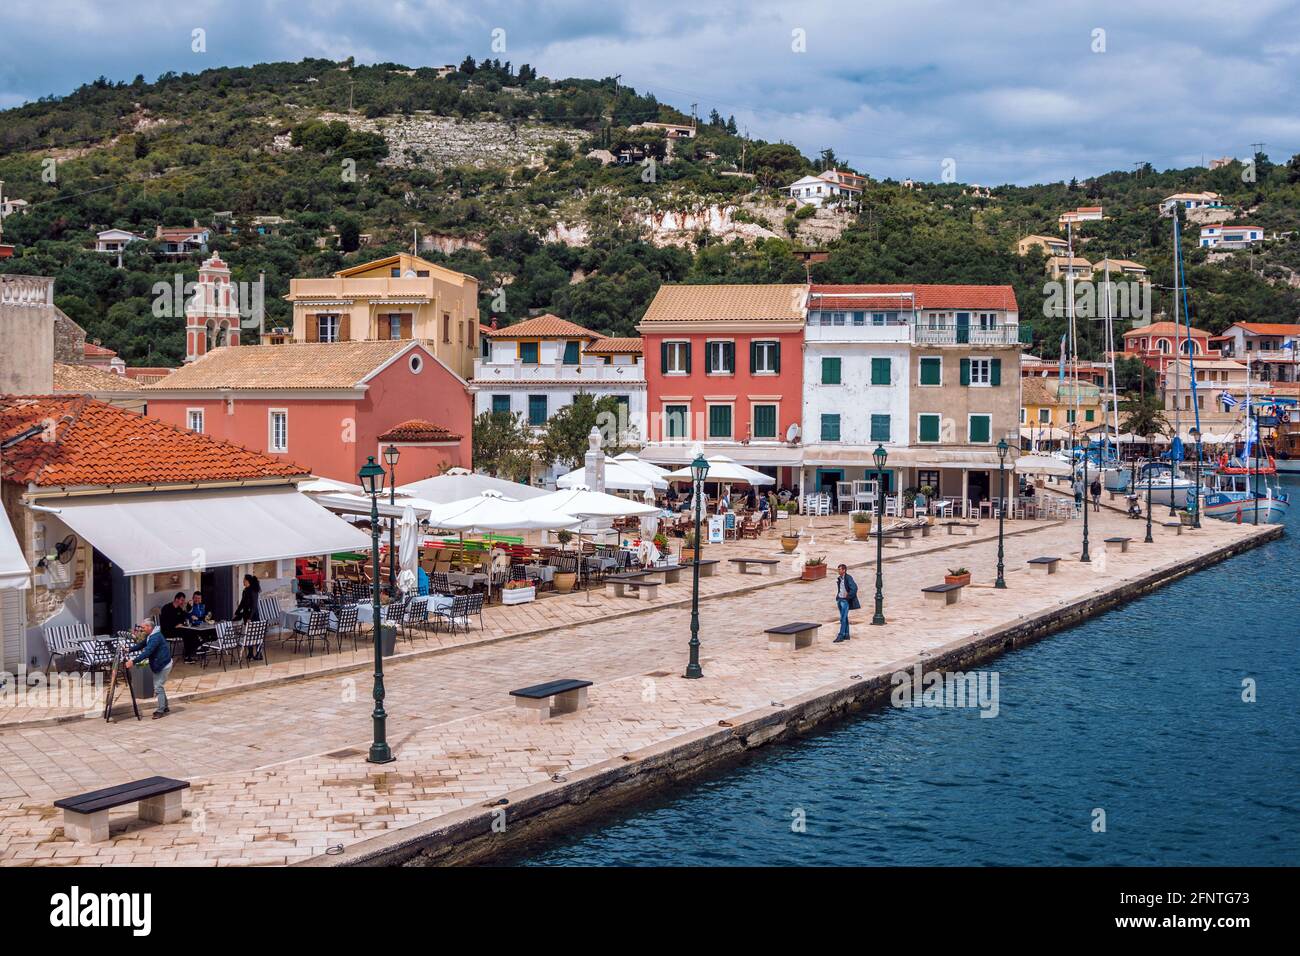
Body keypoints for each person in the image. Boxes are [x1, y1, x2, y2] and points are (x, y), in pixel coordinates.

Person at [125, 617, 173, 719]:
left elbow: (147, 652)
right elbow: (142, 645)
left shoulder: (155, 637)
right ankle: (165, 707)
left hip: (163, 665)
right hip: (160, 664)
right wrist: (129, 649)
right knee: (159, 686)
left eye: (143, 627)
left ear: (149, 627)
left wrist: (133, 661)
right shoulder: (151, 635)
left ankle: (160, 711)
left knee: (158, 687)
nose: (142, 629)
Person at [159, 591, 191, 663]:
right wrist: (174, 626)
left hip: (177, 630)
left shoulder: (179, 609)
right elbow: (164, 622)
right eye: (182, 600)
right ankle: (187, 656)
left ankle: (189, 653)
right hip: (167, 631)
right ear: (177, 599)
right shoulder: (167, 608)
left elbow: (183, 620)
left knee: (190, 632)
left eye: (183, 600)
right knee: (187, 634)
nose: (183, 602)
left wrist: (184, 610)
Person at [834, 564, 860, 643]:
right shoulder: (840, 578)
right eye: (838, 569)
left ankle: (841, 635)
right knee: (844, 618)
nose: (838, 571)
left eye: (840, 569)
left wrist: (848, 596)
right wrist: (838, 596)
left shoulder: (848, 578)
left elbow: (854, 588)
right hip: (840, 600)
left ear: (844, 570)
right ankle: (846, 634)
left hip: (845, 601)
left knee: (842, 618)